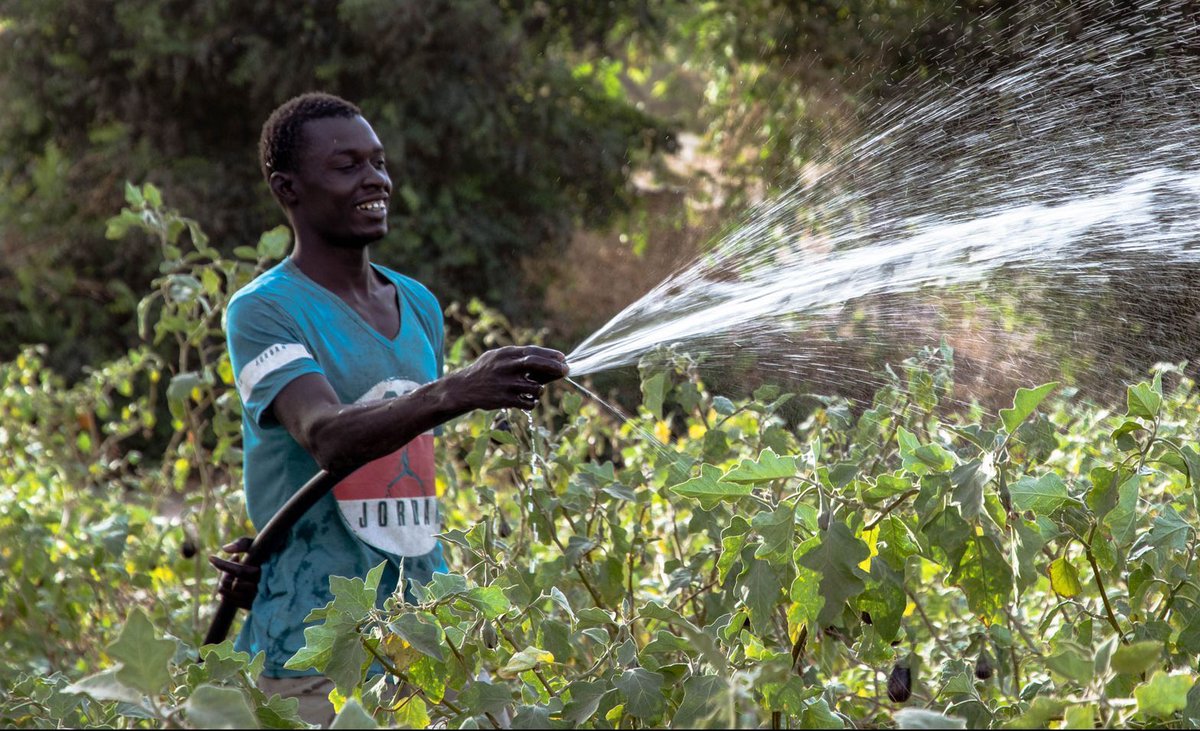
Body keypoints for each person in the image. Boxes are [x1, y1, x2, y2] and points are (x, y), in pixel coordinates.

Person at [212, 92, 568, 726]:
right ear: (286, 187)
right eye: (347, 165)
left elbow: (403, 448)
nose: (375, 179)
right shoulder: (263, 310)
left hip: (428, 634)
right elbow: (326, 437)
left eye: (378, 162)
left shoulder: (418, 304)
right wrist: (455, 389)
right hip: (316, 649)